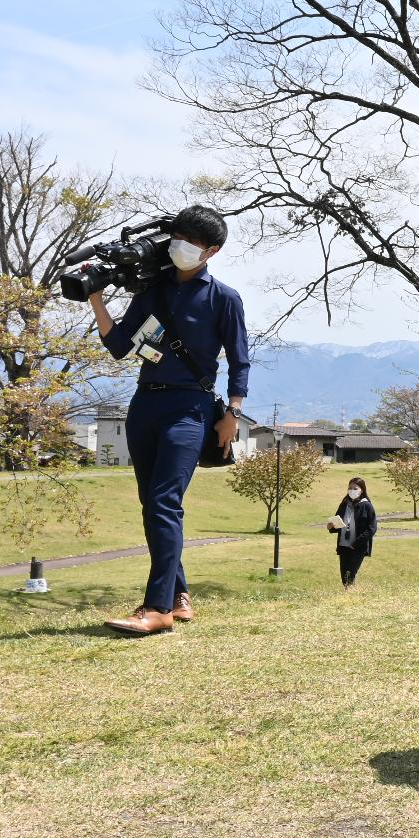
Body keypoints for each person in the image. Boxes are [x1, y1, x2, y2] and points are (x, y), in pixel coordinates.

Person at [93, 205, 250, 637]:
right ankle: (179, 598)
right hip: (144, 405)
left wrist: (232, 416)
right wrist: (96, 298)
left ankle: (157, 607)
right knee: (153, 504)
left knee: (164, 502)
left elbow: (240, 362)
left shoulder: (223, 298)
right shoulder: (151, 290)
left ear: (211, 251)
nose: (181, 246)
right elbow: (121, 346)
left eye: (193, 242)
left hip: (191, 409)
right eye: (177, 237)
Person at [330, 476, 378, 587]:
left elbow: (372, 528)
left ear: (362, 490)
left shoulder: (366, 506)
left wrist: (356, 543)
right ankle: (349, 597)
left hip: (357, 547)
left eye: (355, 488)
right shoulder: (344, 504)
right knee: (344, 577)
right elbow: (338, 522)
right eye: (350, 488)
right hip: (343, 545)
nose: (352, 490)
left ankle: (351, 599)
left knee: (350, 574)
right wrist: (331, 526)